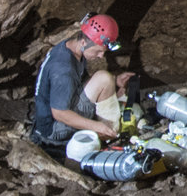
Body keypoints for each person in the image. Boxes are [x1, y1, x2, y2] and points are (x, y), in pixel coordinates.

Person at [28, 14, 132, 149]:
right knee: (103, 79)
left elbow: (79, 82)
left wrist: (115, 81)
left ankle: (107, 129)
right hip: (53, 130)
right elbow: (59, 113)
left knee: (106, 79)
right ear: (84, 42)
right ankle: (111, 135)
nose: (101, 56)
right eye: (99, 51)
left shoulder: (71, 47)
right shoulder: (64, 70)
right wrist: (96, 126)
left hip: (50, 117)